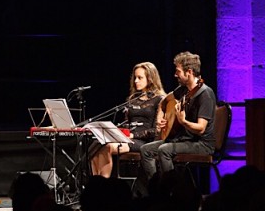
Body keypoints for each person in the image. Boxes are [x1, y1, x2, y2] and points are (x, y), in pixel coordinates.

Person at [139, 52, 216, 182]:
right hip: (184, 139)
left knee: (164, 150)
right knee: (145, 150)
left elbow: (201, 128)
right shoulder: (184, 90)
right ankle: (156, 188)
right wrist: (160, 118)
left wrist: (183, 121)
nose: (175, 75)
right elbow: (164, 101)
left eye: (178, 71)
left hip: (201, 143)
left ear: (189, 72)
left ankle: (171, 191)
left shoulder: (205, 94)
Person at [89, 62, 166, 177]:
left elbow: (157, 130)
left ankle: (103, 184)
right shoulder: (132, 99)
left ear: (150, 79)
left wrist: (132, 136)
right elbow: (127, 124)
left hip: (145, 142)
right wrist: (118, 133)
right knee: (97, 144)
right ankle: (96, 182)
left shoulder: (160, 100)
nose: (136, 81)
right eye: (135, 77)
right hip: (127, 138)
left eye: (140, 78)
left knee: (108, 147)